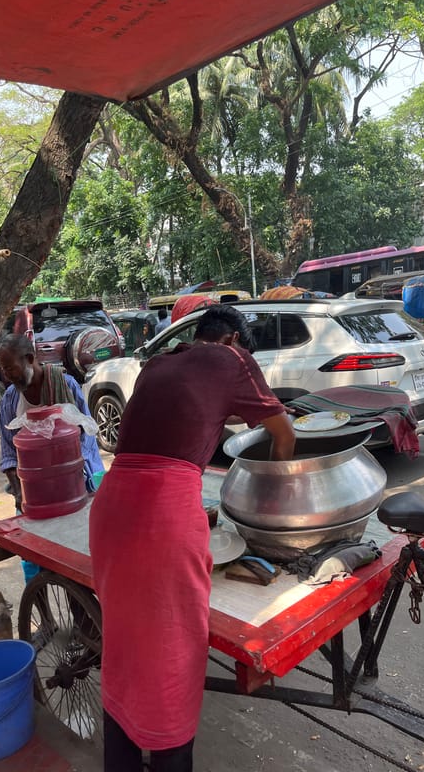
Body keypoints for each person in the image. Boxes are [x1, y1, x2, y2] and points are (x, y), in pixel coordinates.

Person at [89, 304, 295, 772]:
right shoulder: (232, 360)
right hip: (161, 515)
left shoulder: (158, 364)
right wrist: (281, 497)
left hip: (111, 506)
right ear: (231, 342)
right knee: (173, 653)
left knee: (126, 647)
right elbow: (282, 435)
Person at [0, 334, 104, 580]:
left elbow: (86, 436)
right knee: (33, 556)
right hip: (34, 492)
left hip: (77, 483)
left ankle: (83, 615)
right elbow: (8, 452)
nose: (7, 375)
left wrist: (64, 472)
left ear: (30, 359)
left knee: (79, 557)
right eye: (3, 369)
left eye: (10, 368)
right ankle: (41, 611)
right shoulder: (10, 400)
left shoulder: (65, 385)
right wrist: (19, 492)